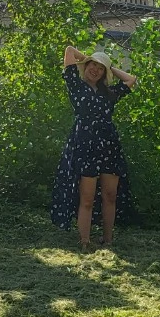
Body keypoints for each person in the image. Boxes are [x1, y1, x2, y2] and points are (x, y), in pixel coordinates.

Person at [50, 45, 137, 250]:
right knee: (87, 197)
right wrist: (87, 58)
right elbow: (69, 51)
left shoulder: (110, 93)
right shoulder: (76, 85)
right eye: (93, 65)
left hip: (109, 145)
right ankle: (85, 241)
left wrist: (108, 66)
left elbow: (130, 80)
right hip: (84, 144)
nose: (95, 70)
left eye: (100, 68)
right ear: (86, 65)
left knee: (110, 195)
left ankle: (107, 240)